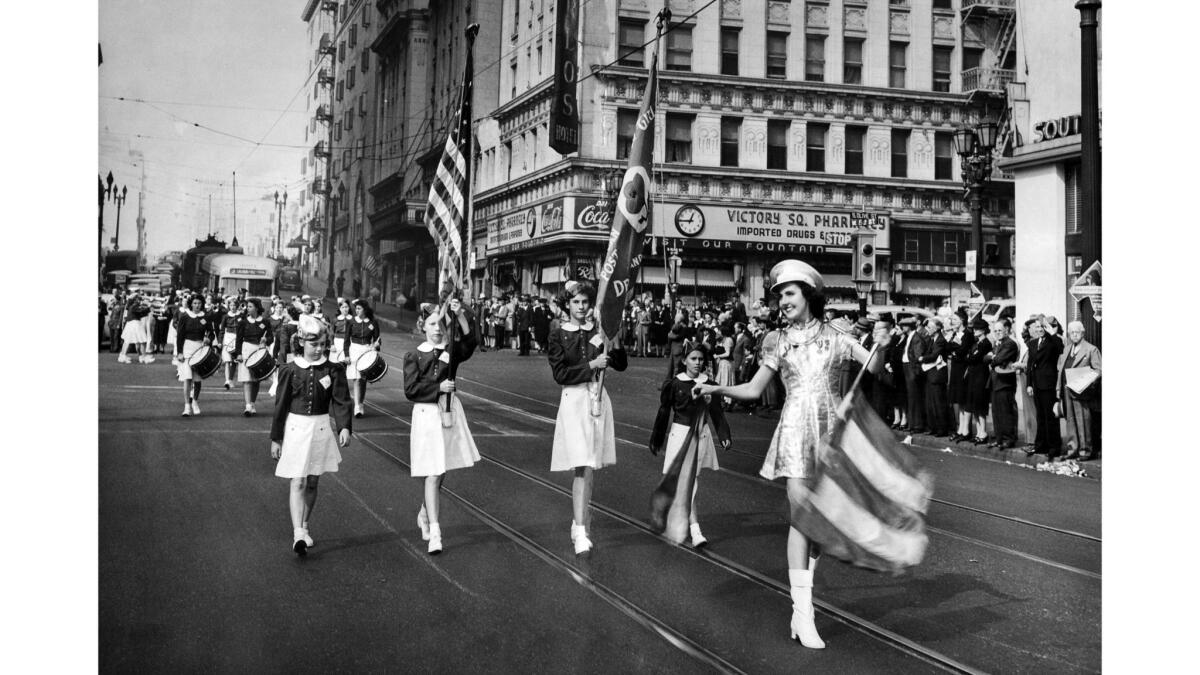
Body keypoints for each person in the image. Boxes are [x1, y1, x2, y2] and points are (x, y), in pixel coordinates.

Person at [694, 260, 889, 650]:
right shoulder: (777, 341)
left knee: (821, 526)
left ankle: (802, 606)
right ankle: (803, 612)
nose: (782, 301)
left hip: (831, 433)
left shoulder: (837, 335)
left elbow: (875, 367)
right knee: (801, 517)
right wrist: (718, 390)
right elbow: (753, 389)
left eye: (788, 293)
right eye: (779, 295)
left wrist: (882, 346)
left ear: (808, 295)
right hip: (796, 430)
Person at [548, 280, 628, 556]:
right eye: (576, 302)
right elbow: (561, 375)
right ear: (566, 305)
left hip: (597, 400)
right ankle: (581, 530)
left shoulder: (598, 332)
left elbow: (621, 363)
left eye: (585, 302)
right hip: (574, 402)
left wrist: (613, 339)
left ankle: (579, 520)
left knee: (590, 465)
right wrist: (592, 365)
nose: (581, 307)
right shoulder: (558, 335)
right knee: (581, 465)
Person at [270, 315, 352, 555]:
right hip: (296, 429)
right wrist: (276, 438)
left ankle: (305, 525)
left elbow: (341, 400)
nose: (318, 349)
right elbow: (281, 405)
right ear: (301, 343)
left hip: (320, 428)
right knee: (298, 480)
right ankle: (298, 534)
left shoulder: (333, 369)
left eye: (321, 345)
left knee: (313, 481)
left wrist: (345, 426)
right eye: (312, 344)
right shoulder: (289, 370)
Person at [404, 299, 479, 555]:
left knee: (442, 468)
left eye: (440, 324)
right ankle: (435, 531)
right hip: (426, 415)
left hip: (448, 413)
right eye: (432, 324)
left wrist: (459, 317)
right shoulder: (414, 355)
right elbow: (411, 390)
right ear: (423, 326)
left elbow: (470, 344)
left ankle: (425, 512)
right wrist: (438, 388)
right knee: (433, 472)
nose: (437, 329)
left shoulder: (451, 351)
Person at [648, 341, 731, 546]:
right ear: (684, 360)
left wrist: (723, 434)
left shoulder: (708, 382)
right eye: (693, 359)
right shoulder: (676, 383)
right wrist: (657, 438)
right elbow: (664, 412)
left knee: (690, 480)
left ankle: (671, 513)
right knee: (688, 481)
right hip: (681, 435)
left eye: (701, 359)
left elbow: (717, 412)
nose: (697, 363)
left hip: (701, 436)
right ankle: (695, 530)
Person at [1057, 320, 1101, 460]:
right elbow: (1060, 369)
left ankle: (1085, 451)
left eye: (1077, 332)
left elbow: (1099, 370)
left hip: (1082, 390)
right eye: (1071, 332)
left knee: (1083, 421)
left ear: (1082, 333)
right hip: (1067, 389)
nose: (1074, 335)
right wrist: (1058, 388)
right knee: (1070, 421)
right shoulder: (1066, 349)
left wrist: (1085, 381)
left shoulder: (1091, 349)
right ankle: (1072, 449)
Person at [1025, 316, 1064, 457]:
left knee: (1050, 416)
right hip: (1036, 384)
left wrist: (1052, 333)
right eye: (1037, 327)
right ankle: (1041, 445)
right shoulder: (1033, 343)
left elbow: (1061, 348)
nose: (1040, 329)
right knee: (1040, 416)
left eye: (1042, 327)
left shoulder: (1052, 341)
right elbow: (1030, 365)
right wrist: (1029, 384)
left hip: (1048, 384)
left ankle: (1054, 447)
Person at [173, 294, 215, 417]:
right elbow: (180, 336)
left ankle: (195, 401)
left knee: (197, 379)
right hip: (186, 348)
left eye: (199, 303)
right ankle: (187, 406)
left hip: (200, 348)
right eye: (195, 303)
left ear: (202, 304)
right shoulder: (185, 316)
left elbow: (211, 333)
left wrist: (209, 340)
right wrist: (179, 352)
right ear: (191, 304)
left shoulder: (205, 317)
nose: (197, 305)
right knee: (187, 377)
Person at [234, 298, 273, 416]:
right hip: (246, 350)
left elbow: (271, 338)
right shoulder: (242, 322)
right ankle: (247, 406)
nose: (248, 309)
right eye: (247, 306)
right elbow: (238, 340)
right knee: (247, 380)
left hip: (259, 351)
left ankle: (252, 403)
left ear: (256, 308)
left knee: (256, 380)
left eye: (250, 306)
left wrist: (266, 339)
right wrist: (238, 354)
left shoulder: (265, 322)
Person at [343, 299, 381, 418]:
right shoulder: (351, 321)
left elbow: (377, 339)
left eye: (359, 309)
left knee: (363, 380)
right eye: (356, 309)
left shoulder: (373, 322)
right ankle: (357, 407)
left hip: (366, 352)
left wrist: (376, 345)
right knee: (357, 379)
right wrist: (347, 355)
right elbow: (346, 340)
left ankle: (360, 403)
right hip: (354, 351)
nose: (357, 311)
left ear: (365, 309)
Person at [987, 319, 1020, 449]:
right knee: (996, 412)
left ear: (1006, 330)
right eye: (995, 331)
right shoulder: (997, 344)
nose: (998, 333)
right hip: (995, 381)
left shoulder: (1010, 343)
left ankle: (1008, 438)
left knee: (1006, 412)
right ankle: (999, 438)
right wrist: (994, 358)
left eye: (1000, 330)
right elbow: (987, 358)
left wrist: (993, 357)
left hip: (1005, 382)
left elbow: (998, 359)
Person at [945, 313, 975, 441]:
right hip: (956, 369)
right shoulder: (954, 334)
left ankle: (965, 430)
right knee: (958, 400)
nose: (953, 321)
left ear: (962, 320)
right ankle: (961, 429)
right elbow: (946, 348)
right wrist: (955, 348)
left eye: (955, 319)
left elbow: (963, 351)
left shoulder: (968, 334)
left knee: (963, 400)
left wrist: (954, 350)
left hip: (963, 370)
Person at [920, 317, 951, 437]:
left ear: (937, 328)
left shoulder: (940, 341)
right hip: (931, 374)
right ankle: (933, 427)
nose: (928, 329)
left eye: (930, 327)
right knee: (931, 403)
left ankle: (942, 429)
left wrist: (922, 358)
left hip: (938, 376)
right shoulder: (932, 340)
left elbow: (934, 355)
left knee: (939, 403)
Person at [963, 318, 993, 443]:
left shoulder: (986, 343)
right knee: (974, 405)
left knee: (980, 405)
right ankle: (980, 432)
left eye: (977, 329)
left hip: (981, 377)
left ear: (983, 330)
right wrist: (971, 357)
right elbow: (970, 356)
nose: (974, 331)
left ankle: (983, 432)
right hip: (973, 376)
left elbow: (974, 358)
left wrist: (971, 357)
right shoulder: (976, 343)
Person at [899, 317, 928, 433]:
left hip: (912, 369)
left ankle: (917, 425)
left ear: (910, 326)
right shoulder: (909, 337)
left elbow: (917, 356)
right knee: (911, 397)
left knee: (915, 397)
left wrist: (915, 373)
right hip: (907, 368)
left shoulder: (916, 338)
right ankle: (912, 424)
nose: (903, 327)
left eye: (905, 325)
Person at [217, 297, 242, 389]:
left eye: (234, 305)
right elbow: (222, 330)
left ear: (237, 306)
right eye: (231, 305)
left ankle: (231, 379)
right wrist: (220, 341)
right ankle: (227, 380)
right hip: (228, 338)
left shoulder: (241, 316)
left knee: (234, 362)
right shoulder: (225, 316)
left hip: (238, 339)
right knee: (227, 361)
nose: (232, 307)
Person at [665, 308, 694, 380]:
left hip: (677, 349)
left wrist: (670, 335)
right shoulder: (682, 326)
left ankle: (674, 384)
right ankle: (669, 384)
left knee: (675, 368)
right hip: (676, 349)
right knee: (672, 368)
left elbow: (674, 336)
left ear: (678, 319)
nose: (674, 319)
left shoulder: (680, 326)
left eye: (675, 318)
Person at [330, 298, 351, 364]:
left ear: (349, 308)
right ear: (340, 309)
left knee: (347, 362)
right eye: (343, 307)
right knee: (335, 362)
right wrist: (332, 344)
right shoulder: (336, 320)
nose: (345, 309)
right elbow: (331, 333)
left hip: (349, 343)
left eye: (346, 307)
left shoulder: (353, 320)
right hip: (337, 343)